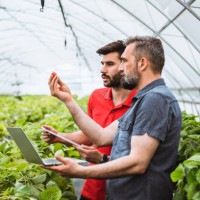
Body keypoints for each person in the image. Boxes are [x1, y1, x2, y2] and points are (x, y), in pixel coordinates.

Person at [42, 36, 182, 200]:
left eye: (124, 61)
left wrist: (80, 171)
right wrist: (68, 100)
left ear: (142, 63)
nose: (121, 69)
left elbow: (138, 162)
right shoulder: (144, 100)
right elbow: (101, 137)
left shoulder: (155, 99)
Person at [41, 40, 137, 200]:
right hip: (93, 188)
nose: (102, 70)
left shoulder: (140, 101)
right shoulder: (96, 96)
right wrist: (60, 137)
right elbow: (90, 135)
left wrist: (103, 159)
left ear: (125, 65)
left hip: (124, 190)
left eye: (110, 64)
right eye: (102, 64)